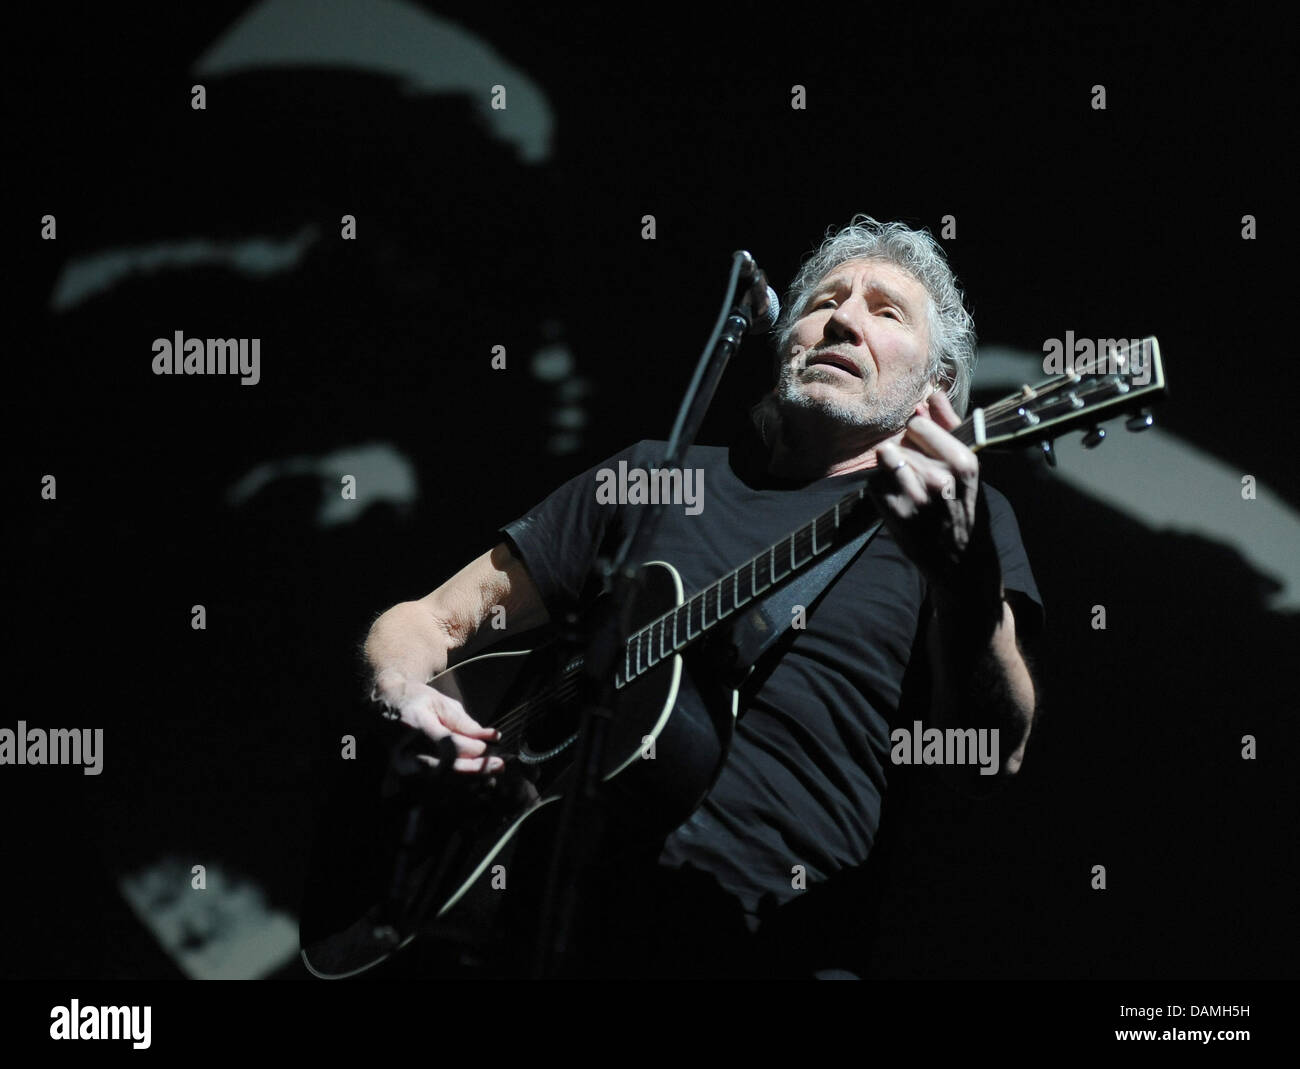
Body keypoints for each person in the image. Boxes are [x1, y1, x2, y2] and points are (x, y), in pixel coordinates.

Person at [362, 215, 1043, 978]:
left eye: (886, 311)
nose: (843, 320)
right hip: (533, 934)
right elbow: (426, 620)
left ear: (937, 392)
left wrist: (965, 581)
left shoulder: (957, 528)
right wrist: (403, 693)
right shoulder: (657, 477)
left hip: (764, 949)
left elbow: (996, 750)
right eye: (824, 301)